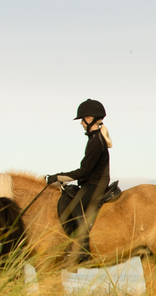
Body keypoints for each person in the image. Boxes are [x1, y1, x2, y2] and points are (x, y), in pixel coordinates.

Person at [48, 99, 111, 266]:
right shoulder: (94, 139)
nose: (81, 124)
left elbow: (84, 171)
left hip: (96, 183)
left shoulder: (96, 141)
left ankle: (82, 250)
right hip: (91, 182)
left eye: (82, 120)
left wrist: (58, 177)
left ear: (90, 119)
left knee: (76, 205)